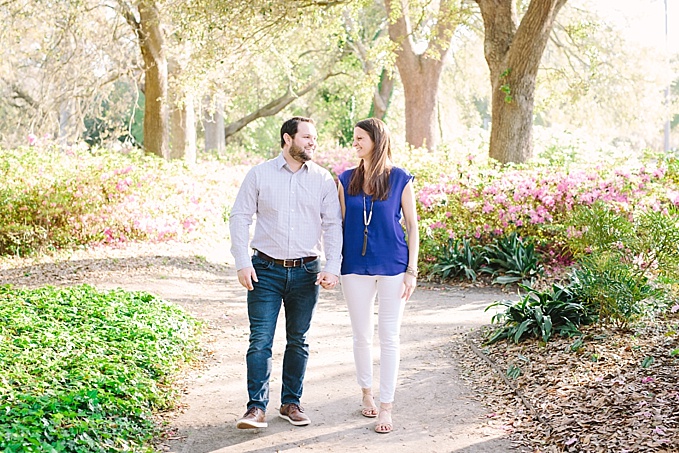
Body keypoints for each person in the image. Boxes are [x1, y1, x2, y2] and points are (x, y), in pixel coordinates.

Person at [229, 116, 343, 429]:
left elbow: (333, 224)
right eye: (306, 137)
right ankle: (256, 408)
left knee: (299, 341)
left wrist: (332, 266)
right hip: (264, 270)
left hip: (307, 271)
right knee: (260, 341)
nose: (312, 143)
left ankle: (291, 403)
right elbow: (240, 217)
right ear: (287, 138)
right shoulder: (260, 174)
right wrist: (242, 261)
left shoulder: (321, 179)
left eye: (314, 138)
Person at [337, 117, 419, 434]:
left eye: (360, 138)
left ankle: (387, 407)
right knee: (361, 335)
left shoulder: (400, 178)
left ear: (376, 140)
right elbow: (340, 226)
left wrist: (412, 270)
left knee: (389, 337)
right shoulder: (345, 180)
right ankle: (366, 393)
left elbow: (412, 226)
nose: (355, 142)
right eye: (354, 138)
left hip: (394, 267)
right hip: (354, 268)